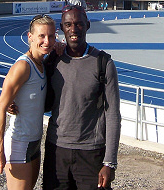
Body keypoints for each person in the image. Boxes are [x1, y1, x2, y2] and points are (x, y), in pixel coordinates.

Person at [42, 5, 121, 190]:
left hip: (91, 153)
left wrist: (109, 162)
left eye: (78, 24)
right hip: (56, 151)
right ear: (61, 28)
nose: (73, 29)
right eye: (68, 24)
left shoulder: (104, 64)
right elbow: (34, 91)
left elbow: (113, 115)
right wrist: (14, 103)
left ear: (87, 25)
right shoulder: (53, 60)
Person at [0, 15, 56, 190]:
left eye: (51, 36)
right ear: (30, 37)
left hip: (35, 143)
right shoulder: (23, 66)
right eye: (41, 36)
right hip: (19, 142)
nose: (47, 41)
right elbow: (0, 109)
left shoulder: (43, 62)